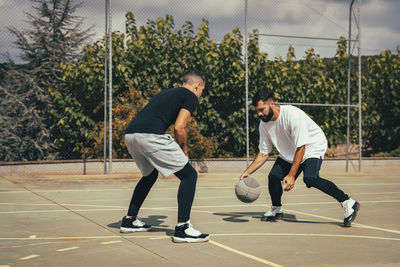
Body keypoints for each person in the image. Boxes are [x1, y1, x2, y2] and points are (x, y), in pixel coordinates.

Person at [239, 89, 360, 227]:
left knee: (310, 178)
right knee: (273, 176)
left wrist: (291, 175)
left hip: (312, 146)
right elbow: (263, 153)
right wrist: (247, 172)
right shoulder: (264, 125)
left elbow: (301, 147)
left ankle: (348, 202)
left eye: (262, 109)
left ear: (271, 103)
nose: (259, 114)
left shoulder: (292, 115)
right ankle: (276, 209)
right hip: (291, 150)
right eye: (257, 111)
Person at [121, 69, 210, 243]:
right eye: (201, 91)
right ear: (197, 86)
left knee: (149, 175)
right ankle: (183, 228)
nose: (200, 95)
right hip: (150, 136)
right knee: (189, 175)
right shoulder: (190, 96)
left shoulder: (165, 93)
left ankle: (130, 220)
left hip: (131, 135)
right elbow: (179, 127)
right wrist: (184, 150)